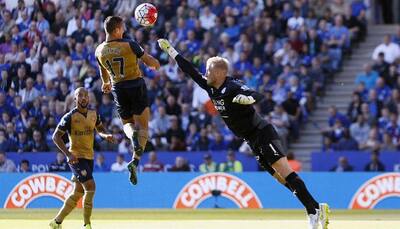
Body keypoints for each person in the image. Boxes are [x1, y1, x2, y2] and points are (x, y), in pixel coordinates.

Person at [158, 39, 329, 229]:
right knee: (279, 177)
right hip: (251, 139)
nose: (205, 73)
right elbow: (190, 71)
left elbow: (258, 95)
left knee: (286, 172)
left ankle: (313, 212)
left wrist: (247, 98)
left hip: (262, 132)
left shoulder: (232, 86)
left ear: (221, 72)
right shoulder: (210, 86)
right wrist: (171, 51)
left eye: (209, 70)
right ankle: (315, 207)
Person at [95, 16, 160, 185]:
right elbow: (151, 63)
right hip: (135, 85)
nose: (123, 30)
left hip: (118, 88)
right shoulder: (129, 44)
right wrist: (156, 64)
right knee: (143, 127)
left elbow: (102, 70)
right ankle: (135, 159)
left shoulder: (99, 50)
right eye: (122, 27)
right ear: (116, 30)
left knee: (127, 124)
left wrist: (105, 83)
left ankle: (133, 140)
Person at [49, 87, 116, 229]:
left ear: (89, 98)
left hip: (89, 157)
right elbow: (55, 136)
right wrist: (68, 154)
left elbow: (100, 129)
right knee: (91, 187)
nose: (83, 98)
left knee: (78, 192)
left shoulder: (94, 114)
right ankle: (87, 224)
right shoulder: (69, 117)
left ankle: (56, 222)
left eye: (86, 95)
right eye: (80, 95)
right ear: (75, 99)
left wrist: (106, 136)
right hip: (76, 158)